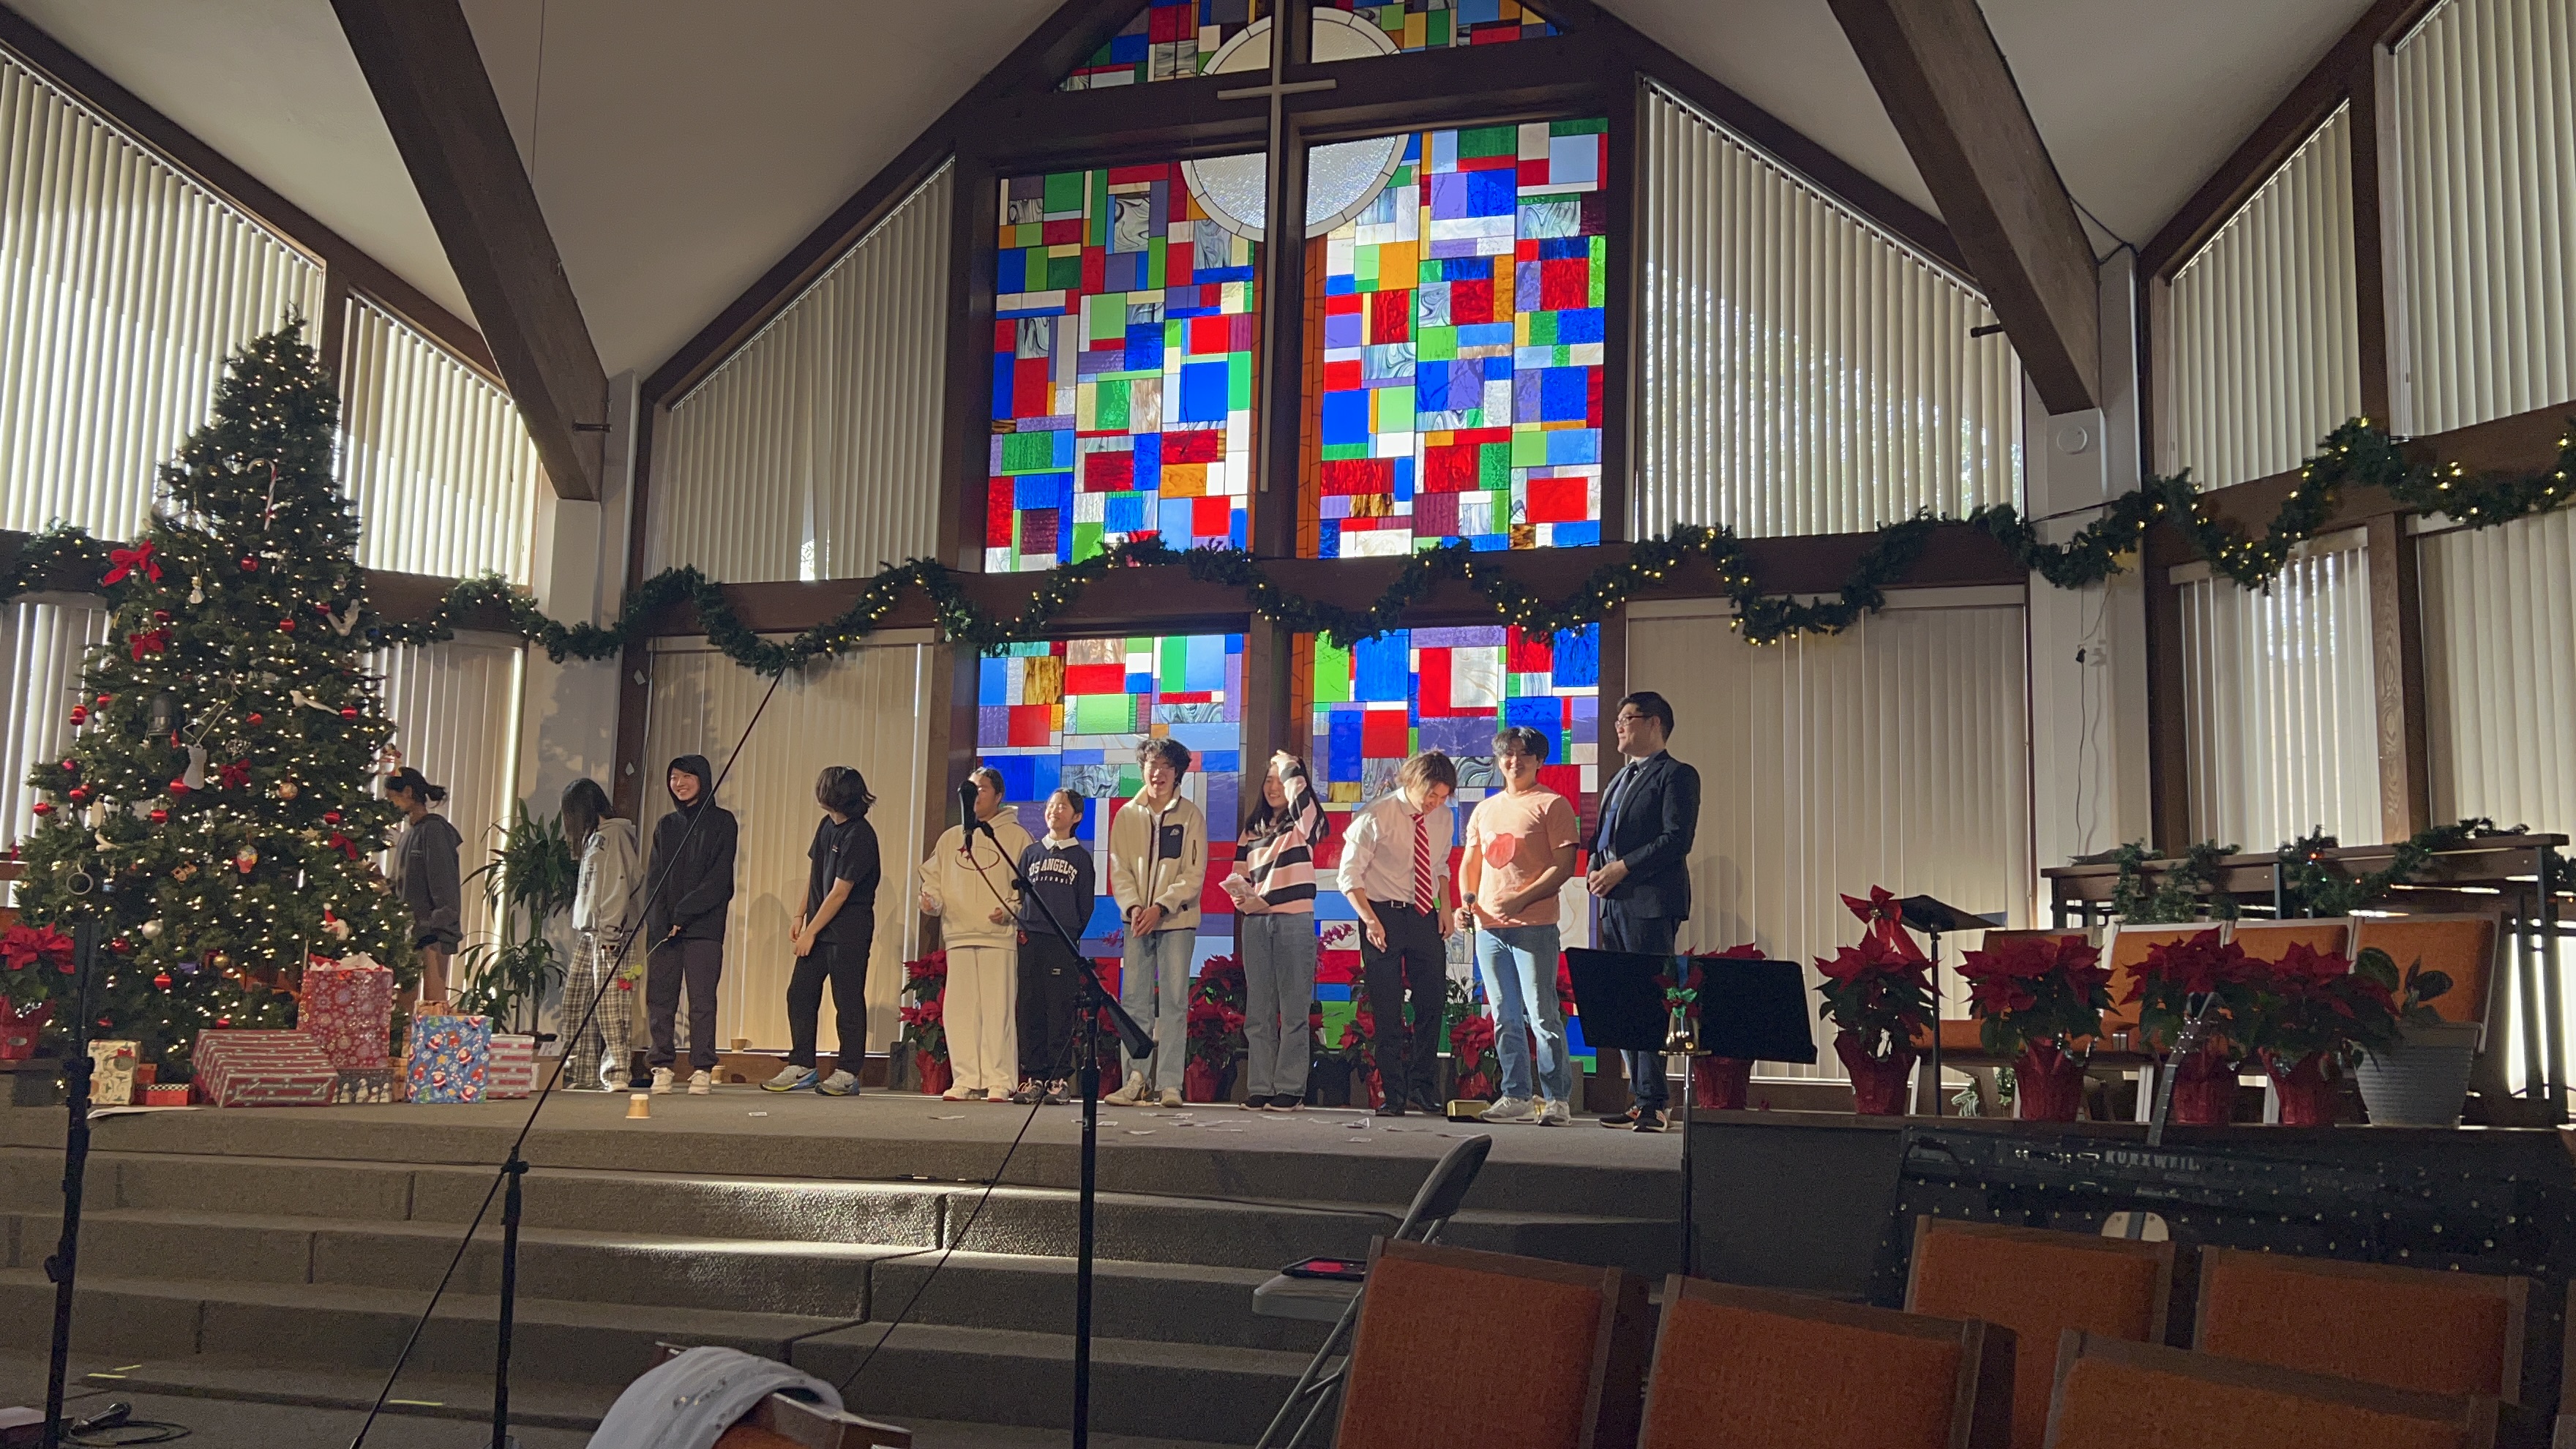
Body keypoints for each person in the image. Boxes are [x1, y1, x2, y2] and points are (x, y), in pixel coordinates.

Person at [1587, 691, 1701, 1132]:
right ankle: (1639, 1098)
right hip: (1613, 902)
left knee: (1652, 998)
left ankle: (1656, 1102)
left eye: (1627, 718)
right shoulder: (1620, 777)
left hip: (1650, 902)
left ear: (1655, 723)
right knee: (1624, 998)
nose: (1618, 725)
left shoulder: (1677, 775)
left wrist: (1623, 867)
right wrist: (1596, 868)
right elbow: (1604, 837)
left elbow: (1677, 839)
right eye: (1617, 719)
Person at [1456, 727, 1581, 1126]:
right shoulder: (1485, 809)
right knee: (1504, 1015)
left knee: (1543, 1014)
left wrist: (1521, 899)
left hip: (1534, 926)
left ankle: (1557, 1099)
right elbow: (1471, 863)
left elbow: (1564, 866)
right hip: (1489, 928)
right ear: (1498, 760)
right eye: (1507, 754)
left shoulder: (1553, 804)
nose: (1515, 761)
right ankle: (1516, 1095)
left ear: (1539, 761)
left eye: (1524, 754)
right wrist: (1465, 904)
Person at [1336, 750, 1459, 1117]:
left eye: (1443, 797)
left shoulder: (1442, 818)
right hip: (1382, 914)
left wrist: (1446, 907)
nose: (1436, 804)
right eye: (1431, 795)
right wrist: (1370, 921)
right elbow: (1349, 877)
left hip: (1423, 914)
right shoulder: (1375, 815)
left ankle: (1423, 1086)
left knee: (1431, 1003)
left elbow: (1440, 865)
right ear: (1413, 782)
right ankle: (1392, 1093)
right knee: (1388, 1008)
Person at [920, 766, 1033, 1103]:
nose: (975, 795)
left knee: (997, 1011)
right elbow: (933, 880)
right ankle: (966, 1078)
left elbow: (1027, 888)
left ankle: (1000, 1080)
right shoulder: (950, 838)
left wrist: (1010, 909)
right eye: (970, 789)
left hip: (998, 936)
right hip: (959, 935)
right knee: (960, 1011)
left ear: (999, 796)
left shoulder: (1015, 837)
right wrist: (930, 900)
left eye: (982, 789)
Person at [766, 766, 881, 1097]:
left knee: (847, 1001)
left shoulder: (860, 835)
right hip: (818, 927)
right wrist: (799, 915)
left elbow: (840, 892)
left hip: (848, 931)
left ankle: (848, 1071)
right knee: (800, 994)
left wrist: (811, 932)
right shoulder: (826, 825)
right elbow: (815, 873)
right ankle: (802, 1064)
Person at [1105, 737, 1207, 1108]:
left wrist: (1161, 907)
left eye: (1166, 766)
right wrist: (1134, 907)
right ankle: (1135, 1079)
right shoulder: (1127, 814)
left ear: (1177, 773)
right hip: (1136, 921)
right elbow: (1119, 868)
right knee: (1134, 1002)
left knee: (1175, 1002)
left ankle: (1169, 1084)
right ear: (1142, 769)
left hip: (1176, 920)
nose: (1158, 773)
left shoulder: (1190, 815)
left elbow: (1194, 874)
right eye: (1152, 765)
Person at [1227, 750, 1327, 1112]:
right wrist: (1241, 895)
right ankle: (1260, 1086)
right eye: (1268, 781)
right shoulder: (1252, 829)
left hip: (1294, 921)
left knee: (1294, 1010)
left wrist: (1289, 768)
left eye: (1280, 781)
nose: (1273, 787)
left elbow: (1308, 815)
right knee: (1259, 1011)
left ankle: (1290, 1088)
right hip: (1256, 922)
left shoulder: (1303, 824)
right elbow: (1239, 874)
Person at [645, 755, 738, 1096]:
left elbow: (719, 881)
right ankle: (661, 1066)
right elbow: (654, 879)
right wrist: (661, 922)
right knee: (660, 1000)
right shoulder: (666, 825)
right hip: (664, 930)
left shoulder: (723, 822)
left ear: (703, 780)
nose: (679, 783)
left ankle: (702, 1068)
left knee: (701, 1001)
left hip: (704, 928)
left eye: (687, 776)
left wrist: (683, 915)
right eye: (674, 777)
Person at [1013, 788, 1095, 1104]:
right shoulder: (1031, 853)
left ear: (1077, 816)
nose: (1055, 811)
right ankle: (1034, 1075)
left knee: (1059, 1008)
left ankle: (1059, 1079)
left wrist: (1069, 932)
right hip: (1031, 939)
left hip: (1061, 941)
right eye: (1051, 805)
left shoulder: (1080, 858)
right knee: (1030, 1006)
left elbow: (1084, 906)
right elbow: (1021, 896)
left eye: (1063, 807)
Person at [560, 776, 640, 1090]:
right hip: (590, 933)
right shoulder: (595, 838)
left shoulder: (615, 835)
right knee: (576, 1003)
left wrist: (610, 932)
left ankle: (617, 1071)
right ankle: (580, 1072)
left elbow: (618, 885)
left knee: (611, 1005)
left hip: (611, 934)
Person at [384, 767, 463, 1014]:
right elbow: (402, 883)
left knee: (433, 1005)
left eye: (392, 798)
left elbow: (444, 882)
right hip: (410, 929)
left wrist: (441, 926)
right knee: (404, 1005)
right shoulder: (409, 835)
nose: (390, 805)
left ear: (408, 792)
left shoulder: (434, 831)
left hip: (432, 931)